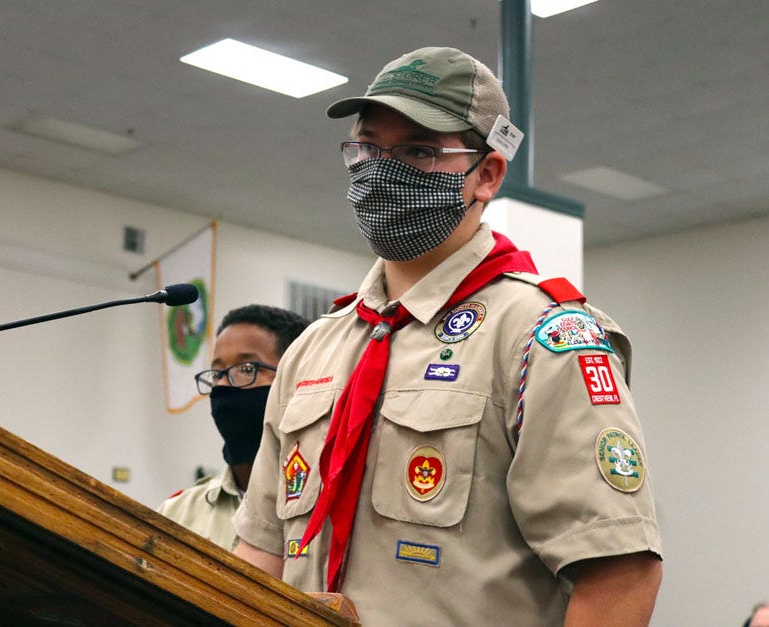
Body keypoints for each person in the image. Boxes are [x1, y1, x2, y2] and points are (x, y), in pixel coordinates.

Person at [232, 47, 662, 625]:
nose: (381, 170)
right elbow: (261, 555)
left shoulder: (541, 334)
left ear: (486, 175)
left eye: (417, 151)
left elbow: (618, 574)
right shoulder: (315, 348)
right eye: (367, 147)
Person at [157, 304, 309, 551]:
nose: (223, 386)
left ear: (297, 378)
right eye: (217, 373)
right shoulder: (178, 514)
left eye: (247, 369)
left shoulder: (321, 507)